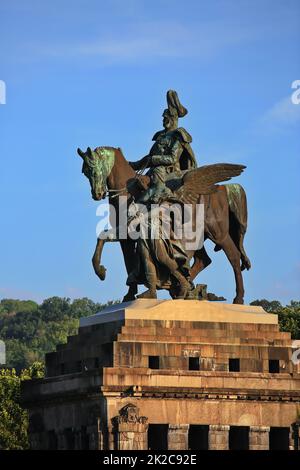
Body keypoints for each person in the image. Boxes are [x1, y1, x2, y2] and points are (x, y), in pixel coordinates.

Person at [129, 90, 197, 203]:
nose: (163, 120)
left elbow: (172, 158)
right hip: (155, 171)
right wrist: (129, 165)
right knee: (137, 183)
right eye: (163, 118)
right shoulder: (160, 135)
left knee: (157, 172)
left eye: (166, 118)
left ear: (173, 119)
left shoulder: (178, 136)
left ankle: (164, 195)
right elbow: (148, 158)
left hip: (170, 172)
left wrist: (154, 159)